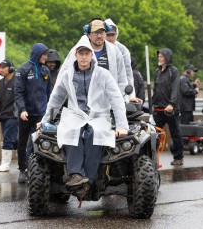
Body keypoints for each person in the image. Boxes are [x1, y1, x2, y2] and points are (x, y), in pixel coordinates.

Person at [38, 35, 128, 194]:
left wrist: (121, 125)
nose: (84, 57)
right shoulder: (67, 75)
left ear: (92, 55)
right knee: (72, 132)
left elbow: (116, 99)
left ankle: (90, 179)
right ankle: (76, 175)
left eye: (87, 53)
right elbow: (55, 99)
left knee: (95, 133)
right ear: (76, 55)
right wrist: (45, 120)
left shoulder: (104, 74)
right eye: (81, 53)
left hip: (98, 115)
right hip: (75, 115)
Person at [14, 43, 51, 183]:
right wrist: (22, 109)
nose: (46, 57)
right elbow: (18, 92)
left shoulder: (45, 71)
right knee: (22, 142)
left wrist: (50, 111)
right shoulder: (22, 70)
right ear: (37, 54)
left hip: (41, 114)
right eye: (44, 54)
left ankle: (35, 169)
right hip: (26, 114)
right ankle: (22, 170)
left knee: (38, 142)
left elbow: (50, 93)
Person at [152, 48, 184, 166]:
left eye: (161, 56)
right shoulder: (157, 71)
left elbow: (175, 89)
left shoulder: (173, 71)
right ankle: (152, 157)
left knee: (175, 133)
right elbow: (156, 89)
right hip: (158, 108)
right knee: (154, 134)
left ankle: (178, 157)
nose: (159, 58)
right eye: (158, 56)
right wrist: (152, 103)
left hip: (170, 109)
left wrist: (171, 104)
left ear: (167, 57)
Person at [83, 18, 128, 99]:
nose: (99, 36)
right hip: (85, 102)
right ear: (88, 34)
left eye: (102, 32)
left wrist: (123, 100)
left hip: (109, 103)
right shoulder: (79, 50)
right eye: (95, 33)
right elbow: (65, 75)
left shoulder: (115, 51)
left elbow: (122, 79)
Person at [0, 60, 18, 172]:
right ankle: (24, 148)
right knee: (13, 140)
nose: (1, 69)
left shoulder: (17, 81)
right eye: (0, 67)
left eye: (3, 67)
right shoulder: (0, 83)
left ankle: (5, 164)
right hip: (3, 115)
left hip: (13, 115)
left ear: (10, 68)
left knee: (7, 139)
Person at [104, 18, 142, 103]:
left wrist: (131, 96)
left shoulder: (123, 50)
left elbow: (128, 73)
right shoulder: (97, 48)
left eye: (112, 35)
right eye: (108, 35)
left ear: (116, 35)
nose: (110, 38)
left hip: (118, 92)